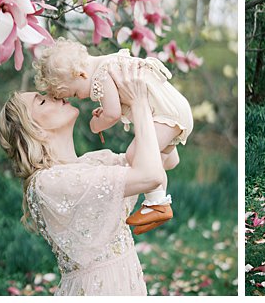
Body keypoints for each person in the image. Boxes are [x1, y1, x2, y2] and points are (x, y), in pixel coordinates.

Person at [0, 60, 168, 295]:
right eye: (42, 101)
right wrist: (140, 105)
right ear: (33, 129)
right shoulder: (46, 183)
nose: (54, 95)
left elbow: (165, 160)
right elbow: (151, 175)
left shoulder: (94, 162)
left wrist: (142, 105)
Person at [33, 38, 192, 234]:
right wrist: (106, 109)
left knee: (135, 155)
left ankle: (158, 204)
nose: (78, 98)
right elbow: (116, 105)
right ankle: (167, 163)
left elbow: (113, 115)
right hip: (173, 110)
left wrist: (95, 125)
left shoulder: (102, 75)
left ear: (81, 74)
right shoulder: (109, 63)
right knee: (156, 156)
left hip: (165, 115)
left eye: (74, 93)